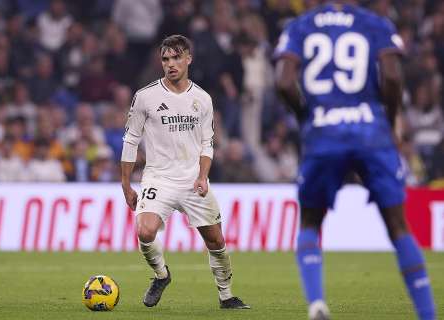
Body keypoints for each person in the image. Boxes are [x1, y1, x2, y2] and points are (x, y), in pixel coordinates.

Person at [274, 2, 436, 320]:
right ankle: (428, 315)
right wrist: (389, 120)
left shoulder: (300, 26)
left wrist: (308, 117)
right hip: (370, 132)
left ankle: (317, 302)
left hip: (323, 133)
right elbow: (391, 77)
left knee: (309, 222)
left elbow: (283, 81)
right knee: (398, 225)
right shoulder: (374, 23)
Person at [121, 35, 250, 310]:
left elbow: (207, 143)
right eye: (166, 59)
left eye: (176, 57)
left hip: (193, 180)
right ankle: (161, 275)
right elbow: (131, 140)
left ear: (188, 58)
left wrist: (203, 176)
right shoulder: (145, 97)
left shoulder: (202, 99)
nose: (171, 64)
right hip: (158, 178)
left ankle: (226, 296)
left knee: (215, 240)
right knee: (144, 231)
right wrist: (126, 184)